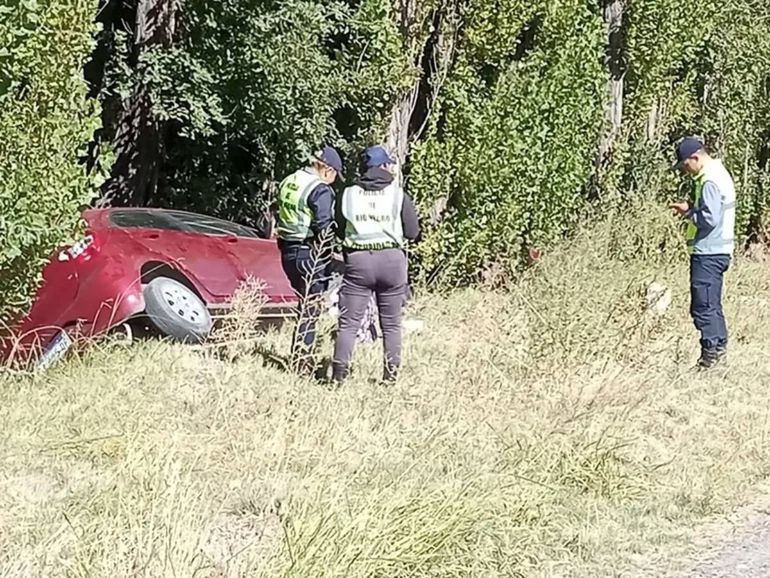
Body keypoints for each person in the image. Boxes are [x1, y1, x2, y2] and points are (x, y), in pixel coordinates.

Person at [331, 145, 420, 385]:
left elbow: (338, 228)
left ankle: (339, 376)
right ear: (384, 167)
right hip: (392, 262)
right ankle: (390, 377)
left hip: (358, 262)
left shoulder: (348, 194)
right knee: (391, 323)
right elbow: (412, 232)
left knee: (349, 322)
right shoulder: (397, 195)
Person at [275, 145, 343, 374]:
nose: (333, 181)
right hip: (309, 251)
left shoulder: (289, 181)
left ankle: (299, 355)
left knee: (304, 304)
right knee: (311, 307)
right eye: (335, 176)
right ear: (327, 170)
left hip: (287, 251)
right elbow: (324, 226)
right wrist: (329, 254)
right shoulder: (319, 189)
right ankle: (301, 362)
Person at [670, 137, 736, 369]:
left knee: (703, 306)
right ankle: (718, 354)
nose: (685, 170)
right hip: (719, 250)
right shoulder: (719, 172)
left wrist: (688, 212)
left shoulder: (709, 180)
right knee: (712, 305)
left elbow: (709, 218)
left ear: (695, 158)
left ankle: (710, 360)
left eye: (685, 165)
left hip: (709, 251)